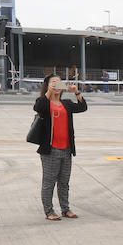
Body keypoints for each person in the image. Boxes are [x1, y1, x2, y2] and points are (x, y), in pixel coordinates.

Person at [30, 74, 88, 220]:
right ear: (47, 85)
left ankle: (65, 209)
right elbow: (38, 106)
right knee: (49, 182)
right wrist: (49, 91)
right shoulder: (44, 102)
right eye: (53, 83)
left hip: (67, 149)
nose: (56, 85)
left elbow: (82, 107)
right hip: (50, 150)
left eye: (58, 83)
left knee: (64, 182)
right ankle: (49, 211)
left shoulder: (66, 103)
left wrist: (76, 91)